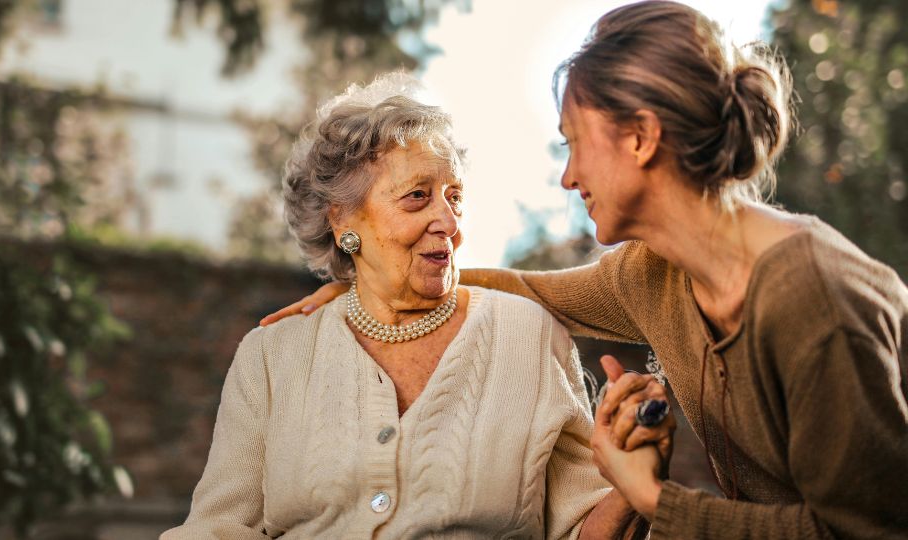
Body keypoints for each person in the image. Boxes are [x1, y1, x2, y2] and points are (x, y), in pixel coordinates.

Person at [260, 2, 908, 538]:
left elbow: (866, 531)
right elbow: (526, 288)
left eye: (574, 141)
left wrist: (653, 499)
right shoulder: (652, 274)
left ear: (640, 137)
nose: (568, 175)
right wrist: (368, 287)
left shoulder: (812, 299)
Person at [163, 73, 664, 539]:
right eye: (417, 197)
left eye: (455, 197)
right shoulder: (272, 357)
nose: (448, 220)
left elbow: (580, 529)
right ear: (343, 222)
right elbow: (217, 529)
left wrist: (630, 485)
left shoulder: (527, 335)